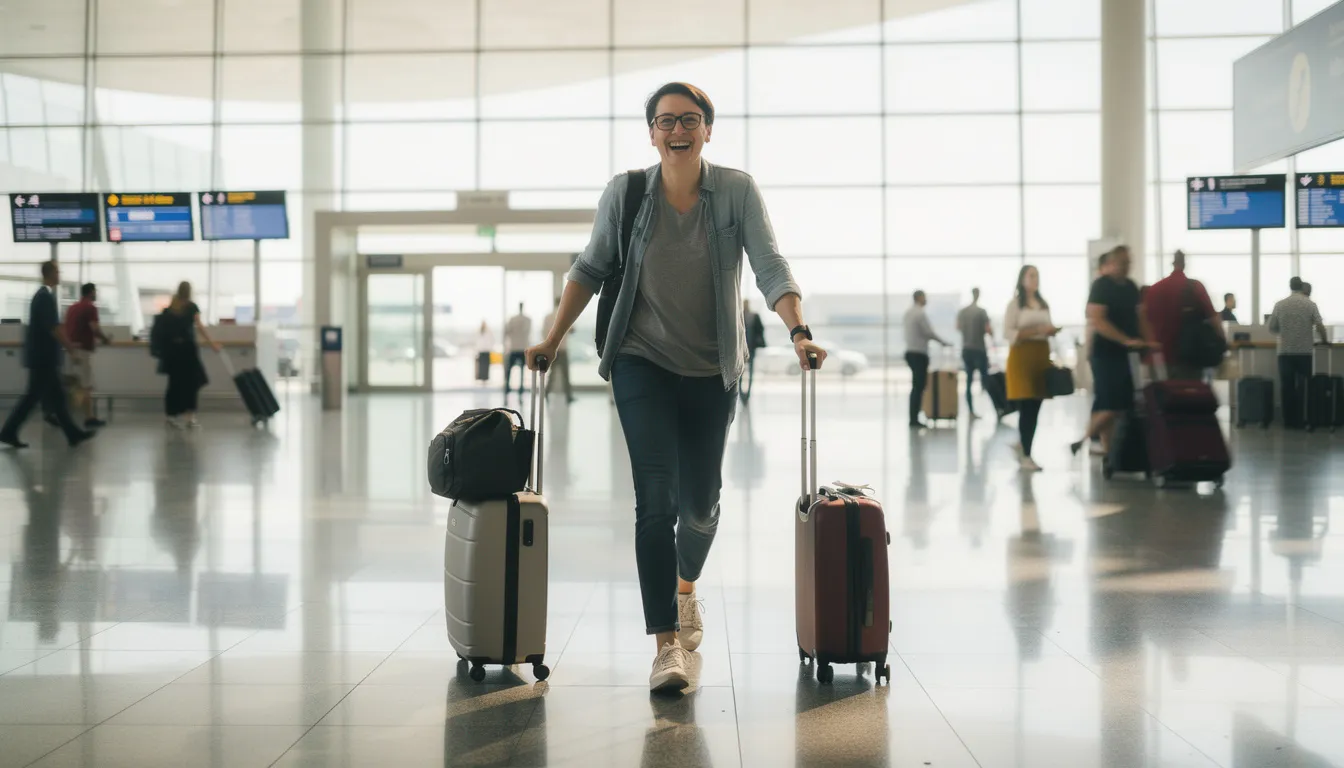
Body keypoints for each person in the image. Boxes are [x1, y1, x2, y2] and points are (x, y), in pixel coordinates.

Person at [524, 82, 825, 693]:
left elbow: (770, 265)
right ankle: (667, 645)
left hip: (712, 368)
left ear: (708, 130)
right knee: (655, 501)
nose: (677, 130)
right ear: (652, 133)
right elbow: (589, 266)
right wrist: (553, 338)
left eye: (689, 120)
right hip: (641, 361)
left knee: (701, 507)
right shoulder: (627, 193)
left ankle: (686, 591)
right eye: (666, 121)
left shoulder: (735, 191)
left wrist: (798, 332)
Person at [0, 261, 94, 449]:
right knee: (33, 397)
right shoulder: (44, 297)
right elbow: (54, 328)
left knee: (54, 397)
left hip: (42, 357)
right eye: (58, 271)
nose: (60, 274)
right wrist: (70, 348)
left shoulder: (43, 296)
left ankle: (72, 434)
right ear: (50, 274)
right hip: (43, 358)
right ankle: (8, 432)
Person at [1071, 246, 1154, 456]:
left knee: (1117, 404)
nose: (1127, 266)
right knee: (1112, 404)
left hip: (1125, 355)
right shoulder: (1101, 286)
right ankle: (1083, 440)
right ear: (1113, 263)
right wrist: (1125, 340)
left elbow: (1140, 317)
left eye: (1129, 262)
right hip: (1104, 355)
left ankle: (1109, 454)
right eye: (1123, 262)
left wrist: (1149, 341)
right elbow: (1097, 319)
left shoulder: (1131, 287)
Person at [1003, 266, 1059, 472]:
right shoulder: (1015, 305)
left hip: (1040, 356)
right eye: (1031, 276)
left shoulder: (1042, 304)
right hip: (1021, 356)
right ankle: (1026, 453)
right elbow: (1008, 332)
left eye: (1037, 275)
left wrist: (1050, 332)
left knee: (1035, 406)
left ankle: (1023, 445)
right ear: (1022, 279)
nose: (1035, 279)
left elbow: (1048, 326)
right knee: (1026, 405)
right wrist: (1035, 330)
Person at [1141, 250, 1223, 381]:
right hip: (1188, 357)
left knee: (1158, 398)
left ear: (1172, 263)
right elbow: (1214, 319)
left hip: (1158, 356)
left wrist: (1150, 342)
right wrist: (1222, 340)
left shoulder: (1154, 289)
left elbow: (1143, 319)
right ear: (1184, 264)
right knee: (1187, 398)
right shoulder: (1195, 287)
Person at [155, 282, 220, 429]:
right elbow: (200, 327)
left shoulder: (170, 308)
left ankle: (170, 416)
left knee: (174, 384)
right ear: (189, 292)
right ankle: (189, 417)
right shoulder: (191, 307)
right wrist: (212, 343)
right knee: (192, 383)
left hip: (172, 352)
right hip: (188, 350)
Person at [1269, 277, 1329, 429]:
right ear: (1302, 287)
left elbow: (1272, 327)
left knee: (1287, 387)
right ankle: (1304, 419)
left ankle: (1289, 421)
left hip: (1285, 352)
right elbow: (1320, 326)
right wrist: (1325, 341)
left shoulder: (1280, 304)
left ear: (1290, 286)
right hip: (1304, 352)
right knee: (1305, 386)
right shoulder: (1310, 304)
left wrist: (1284, 332)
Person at [63, 283, 111, 428]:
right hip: (83, 351)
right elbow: (94, 328)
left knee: (77, 384)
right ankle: (89, 418)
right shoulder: (90, 307)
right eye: (95, 291)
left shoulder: (72, 308)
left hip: (71, 350)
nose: (96, 294)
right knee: (85, 385)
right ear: (91, 293)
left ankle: (72, 413)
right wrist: (105, 339)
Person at [903, 289, 951, 429]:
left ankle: (914, 417)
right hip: (918, 354)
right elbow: (929, 332)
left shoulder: (908, 313)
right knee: (918, 386)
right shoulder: (920, 313)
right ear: (918, 298)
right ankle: (914, 419)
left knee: (916, 386)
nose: (926, 300)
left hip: (910, 352)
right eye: (924, 297)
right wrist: (943, 342)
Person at [956, 288, 993, 419]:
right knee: (986, 380)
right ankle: (999, 407)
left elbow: (958, 327)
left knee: (969, 381)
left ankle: (971, 411)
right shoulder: (982, 312)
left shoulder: (963, 312)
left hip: (966, 349)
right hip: (979, 349)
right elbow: (988, 329)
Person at [542, 300, 574, 403]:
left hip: (552, 349)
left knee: (551, 374)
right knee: (565, 374)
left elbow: (543, 332)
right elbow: (572, 330)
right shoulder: (566, 315)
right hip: (563, 349)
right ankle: (568, 397)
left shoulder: (548, 317)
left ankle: (546, 394)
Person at [502, 303, 531, 396]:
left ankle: (507, 388)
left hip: (514, 348)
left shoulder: (512, 320)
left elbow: (506, 332)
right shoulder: (528, 320)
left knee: (509, 370)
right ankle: (520, 389)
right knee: (522, 370)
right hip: (522, 348)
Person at [741, 299, 766, 403]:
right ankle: (743, 395)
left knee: (745, 372)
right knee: (741, 372)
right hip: (743, 349)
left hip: (749, 347)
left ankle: (746, 394)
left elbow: (760, 330)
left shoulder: (749, 316)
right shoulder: (744, 316)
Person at [474, 320, 493, 386]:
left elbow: (490, 340)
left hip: (486, 350)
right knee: (481, 366)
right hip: (481, 350)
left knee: (486, 366)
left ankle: (485, 378)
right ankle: (481, 378)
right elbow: (477, 342)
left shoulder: (488, 331)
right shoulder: (479, 331)